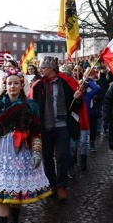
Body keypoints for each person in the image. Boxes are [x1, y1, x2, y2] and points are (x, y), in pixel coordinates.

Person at [0, 68, 51, 223]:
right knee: (0, 192)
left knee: (16, 191)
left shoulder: (31, 105)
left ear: (21, 85)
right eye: (9, 83)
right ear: (5, 84)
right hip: (0, 153)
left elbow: (35, 132)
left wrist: (36, 151)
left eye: (16, 83)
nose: (12, 86)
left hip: (20, 152)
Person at [28, 56, 83, 203]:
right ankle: (51, 184)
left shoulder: (65, 82)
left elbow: (75, 104)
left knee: (62, 155)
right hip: (45, 128)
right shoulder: (38, 85)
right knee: (47, 157)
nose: (41, 70)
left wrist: (78, 98)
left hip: (62, 127)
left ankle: (61, 186)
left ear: (52, 68)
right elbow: (32, 105)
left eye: (43, 67)